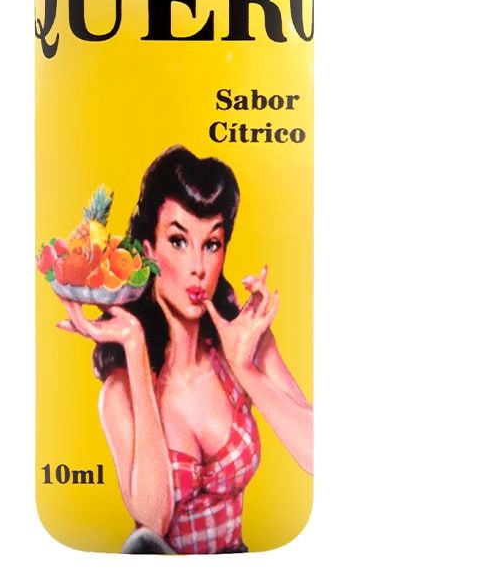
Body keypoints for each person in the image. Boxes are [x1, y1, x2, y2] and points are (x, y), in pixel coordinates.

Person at [56, 145, 313, 554]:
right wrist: (136, 349)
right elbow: (153, 522)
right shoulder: (120, 391)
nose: (198, 266)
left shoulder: (244, 342)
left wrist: (244, 369)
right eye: (178, 241)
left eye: (211, 244)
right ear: (148, 251)